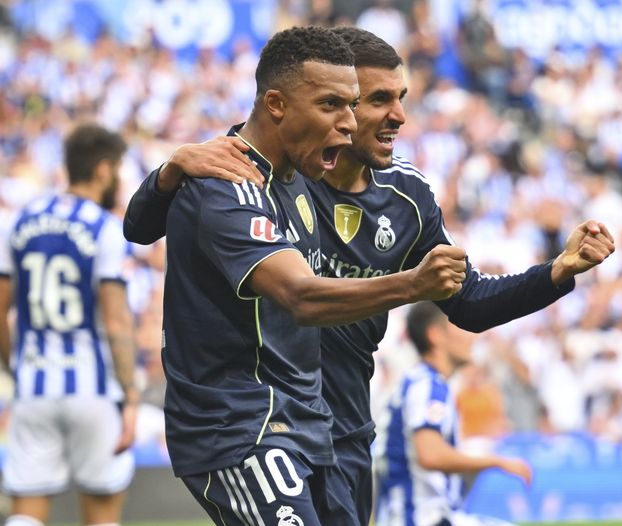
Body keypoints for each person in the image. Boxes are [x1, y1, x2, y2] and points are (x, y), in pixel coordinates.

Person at [123, 27, 615, 525]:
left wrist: (554, 273)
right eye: (375, 100)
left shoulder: (402, 197)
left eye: (396, 99)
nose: (397, 116)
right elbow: (155, 227)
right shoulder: (262, 171)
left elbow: (468, 302)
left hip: (341, 428)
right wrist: (169, 170)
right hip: (253, 423)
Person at [126, 26, 467, 526]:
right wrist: (413, 285)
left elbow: (141, 223)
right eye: (332, 105)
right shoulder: (229, 182)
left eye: (352, 105)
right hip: (240, 427)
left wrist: (167, 172)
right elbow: (300, 296)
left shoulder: (299, 179)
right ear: (277, 104)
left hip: (307, 424)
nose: (351, 123)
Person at [0, 124, 138, 526]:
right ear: (101, 170)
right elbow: (115, 321)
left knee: (26, 512)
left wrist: (13, 364)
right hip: (93, 391)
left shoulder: (19, 222)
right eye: (118, 170)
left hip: (34, 387)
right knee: (101, 514)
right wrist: (130, 394)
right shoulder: (104, 228)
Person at [375, 302, 532, 526]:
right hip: (416, 519)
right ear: (436, 335)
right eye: (460, 325)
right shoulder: (428, 385)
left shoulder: (426, 382)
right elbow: (430, 454)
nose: (472, 335)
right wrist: (496, 462)